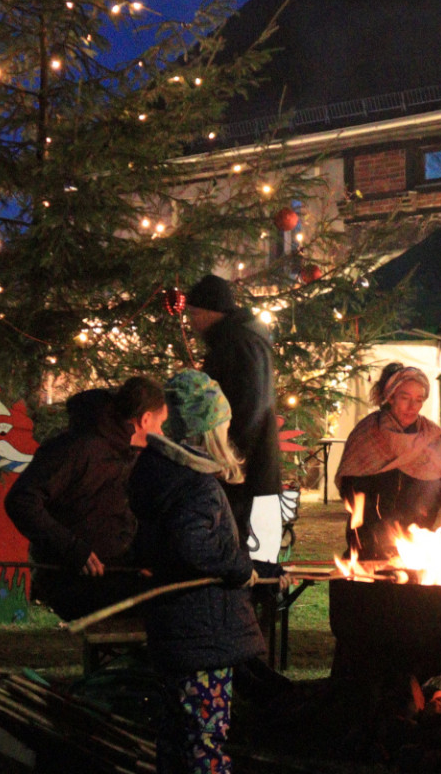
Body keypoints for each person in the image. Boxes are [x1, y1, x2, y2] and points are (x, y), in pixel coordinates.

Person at [128, 371, 268, 774]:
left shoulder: (154, 470)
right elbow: (194, 545)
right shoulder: (195, 484)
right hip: (202, 634)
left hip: (173, 628)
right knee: (205, 737)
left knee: (176, 735)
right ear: (210, 430)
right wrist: (239, 567)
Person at [4, 377, 156, 619]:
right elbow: (22, 500)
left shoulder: (126, 455)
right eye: (162, 423)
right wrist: (72, 549)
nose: (163, 433)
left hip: (115, 572)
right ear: (145, 419)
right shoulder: (78, 448)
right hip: (76, 580)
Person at [186, 274, 280, 543]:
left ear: (211, 311)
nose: (191, 322)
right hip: (250, 466)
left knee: (243, 545)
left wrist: (226, 455)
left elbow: (247, 406)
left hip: (242, 470)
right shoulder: (242, 338)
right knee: (254, 545)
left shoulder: (236, 344)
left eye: (194, 313)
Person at [337, 363, 441, 559]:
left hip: (415, 543)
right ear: (390, 397)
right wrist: (380, 534)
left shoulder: (431, 437)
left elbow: (435, 494)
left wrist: (415, 534)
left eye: (418, 400)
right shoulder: (368, 433)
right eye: (405, 398)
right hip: (368, 544)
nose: (412, 407)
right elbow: (353, 491)